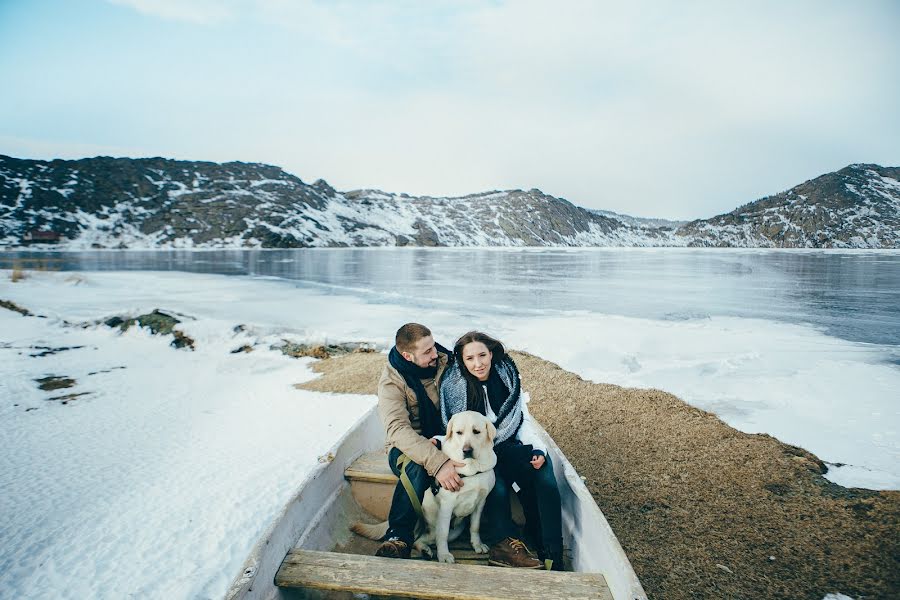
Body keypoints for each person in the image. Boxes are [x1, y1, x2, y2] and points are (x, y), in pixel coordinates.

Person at [375, 323, 540, 568]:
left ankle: (500, 540)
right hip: (410, 444)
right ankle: (398, 536)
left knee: (486, 469)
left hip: (454, 438)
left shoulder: (444, 361)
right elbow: (398, 430)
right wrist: (438, 461)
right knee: (417, 469)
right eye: (428, 351)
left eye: (434, 346)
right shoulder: (392, 381)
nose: (436, 354)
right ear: (408, 356)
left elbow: (476, 372)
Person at [440, 331, 565, 570]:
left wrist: (538, 449)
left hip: (509, 446)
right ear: (462, 361)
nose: (478, 364)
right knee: (495, 487)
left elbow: (522, 420)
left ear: (491, 353)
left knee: (546, 478)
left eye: (482, 355)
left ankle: (552, 553)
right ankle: (504, 546)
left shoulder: (507, 375)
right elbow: (451, 434)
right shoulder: (452, 386)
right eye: (470, 358)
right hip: (478, 457)